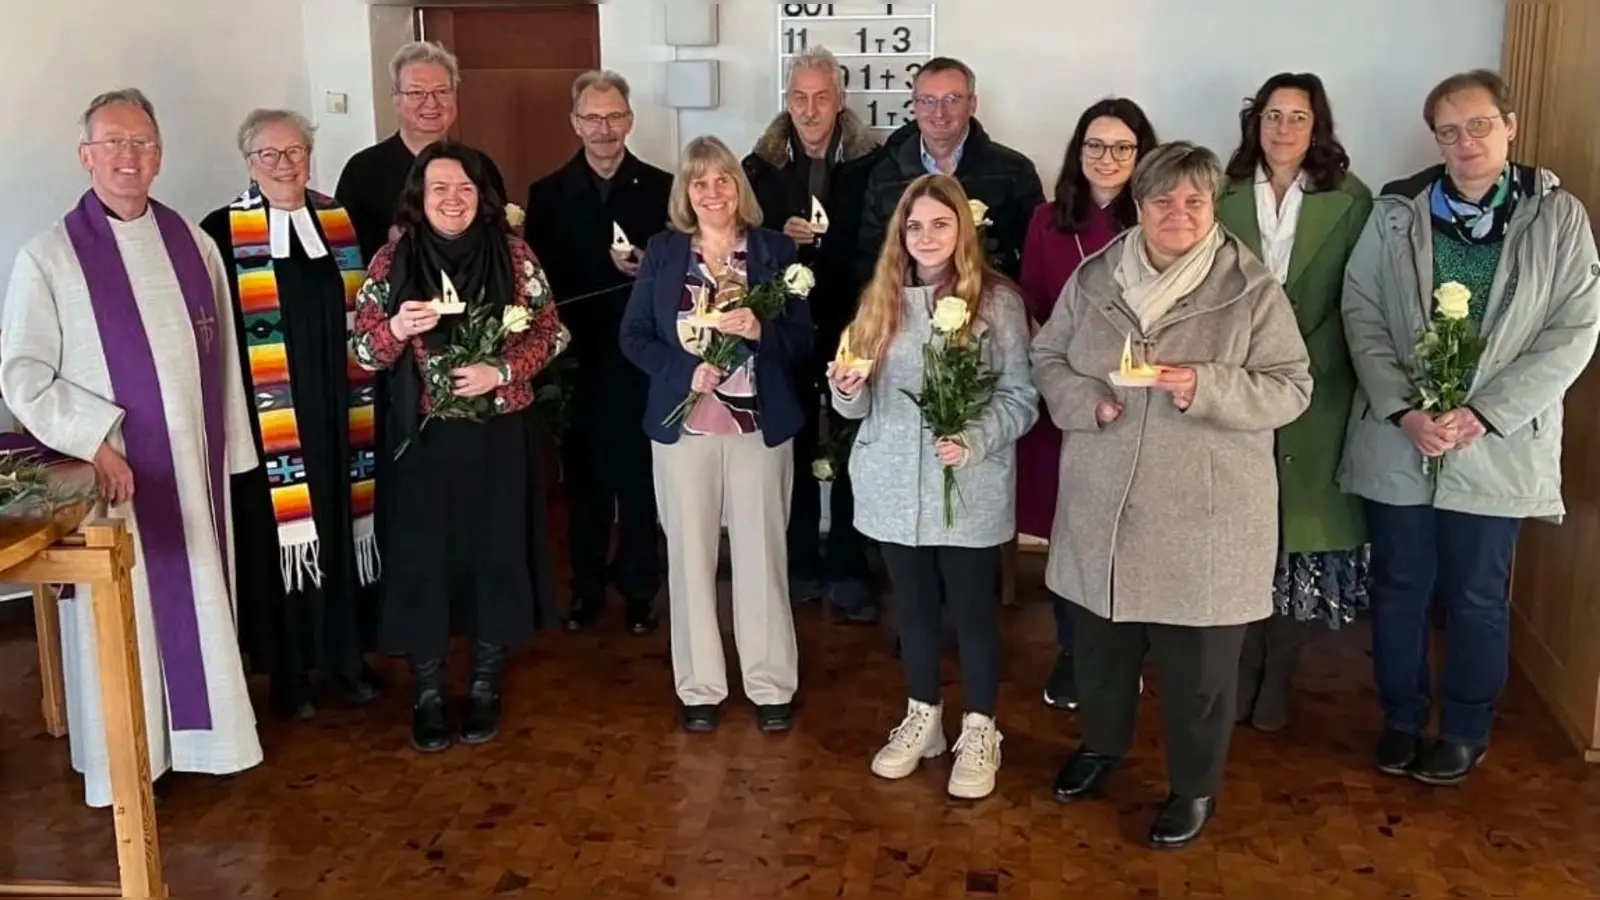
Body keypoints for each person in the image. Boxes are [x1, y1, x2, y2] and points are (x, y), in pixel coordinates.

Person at [1032, 142, 1311, 848]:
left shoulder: (1249, 288)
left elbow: (1291, 385)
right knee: (1099, 648)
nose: (1177, 213)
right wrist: (1084, 399)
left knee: (1199, 675)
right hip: (1105, 500)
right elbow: (1047, 357)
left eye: (1194, 201)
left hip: (1205, 514)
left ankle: (1193, 788)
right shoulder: (1097, 277)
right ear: (1139, 204)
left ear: (1214, 207)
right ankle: (1102, 745)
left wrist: (1204, 385)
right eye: (1162, 200)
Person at [0, 88, 263, 806]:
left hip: (192, 475)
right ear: (86, 156)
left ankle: (206, 743)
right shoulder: (50, 256)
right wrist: (93, 442)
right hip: (116, 478)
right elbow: (21, 373)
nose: (128, 156)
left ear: (160, 155)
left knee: (200, 601)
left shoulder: (191, 242)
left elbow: (226, 359)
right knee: (127, 619)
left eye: (142, 143)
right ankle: (126, 759)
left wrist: (232, 450)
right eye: (113, 143)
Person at [1340, 69, 1600, 785]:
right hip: (1404, 438)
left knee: (1478, 595)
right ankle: (1399, 717)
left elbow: (1574, 330)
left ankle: (1463, 726)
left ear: (1510, 126)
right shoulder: (1397, 211)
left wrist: (1485, 413)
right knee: (1397, 585)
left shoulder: (1558, 217)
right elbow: (1361, 312)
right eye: (1448, 131)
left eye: (1479, 125)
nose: (1465, 142)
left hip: (1495, 444)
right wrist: (1404, 410)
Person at [350, 142, 568, 753]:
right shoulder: (392, 259)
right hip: (420, 442)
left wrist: (504, 370)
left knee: (495, 554)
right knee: (423, 561)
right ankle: (425, 690)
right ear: (418, 197)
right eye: (440, 188)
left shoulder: (513, 254)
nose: (453, 199)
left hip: (497, 435)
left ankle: (484, 683)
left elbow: (553, 331)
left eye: (465, 188)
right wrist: (396, 327)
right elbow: (363, 351)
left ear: (483, 196)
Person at [831, 174, 1037, 800]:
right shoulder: (880, 300)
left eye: (940, 225)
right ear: (901, 232)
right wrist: (846, 390)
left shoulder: (996, 302)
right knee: (912, 611)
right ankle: (924, 716)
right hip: (892, 484)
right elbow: (856, 401)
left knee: (972, 612)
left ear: (962, 231)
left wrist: (973, 438)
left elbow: (1021, 397)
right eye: (915, 225)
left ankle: (980, 726)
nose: (926, 237)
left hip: (967, 482)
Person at [619, 136, 811, 734]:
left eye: (722, 180)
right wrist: (684, 370)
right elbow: (635, 337)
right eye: (698, 182)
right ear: (685, 193)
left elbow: (804, 340)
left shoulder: (776, 250)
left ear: (738, 187)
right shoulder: (663, 252)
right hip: (685, 430)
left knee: (762, 556)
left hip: (759, 426)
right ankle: (699, 685)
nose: (711, 192)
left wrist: (761, 329)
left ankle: (770, 682)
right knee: (690, 558)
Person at [200, 109, 385, 721]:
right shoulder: (221, 232)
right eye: (269, 155)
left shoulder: (341, 221)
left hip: (341, 410)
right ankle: (288, 673)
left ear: (311, 154)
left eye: (296, 151)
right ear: (249, 163)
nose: (285, 164)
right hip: (268, 418)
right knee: (275, 543)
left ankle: (345, 658)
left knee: (338, 527)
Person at [1216, 73, 1373, 734]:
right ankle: (1243, 665)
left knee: (1296, 537)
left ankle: (1278, 670)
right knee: (1239, 528)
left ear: (1318, 127)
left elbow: (1361, 294)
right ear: (1256, 123)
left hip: (1322, 382)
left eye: (1297, 117)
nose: (1283, 129)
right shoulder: (1221, 197)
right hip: (1237, 381)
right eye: (1273, 115)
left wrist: (1309, 360)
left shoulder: (1351, 199)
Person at [1017, 98, 1158, 712]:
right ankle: (1073, 652)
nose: (1108, 158)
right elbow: (1031, 302)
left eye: (1123, 148)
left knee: (1127, 530)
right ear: (1079, 152)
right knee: (1068, 531)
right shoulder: (1048, 219)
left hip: (1134, 399)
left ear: (1141, 155)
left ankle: (1125, 656)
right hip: (1066, 398)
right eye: (1096, 146)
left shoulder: (1154, 220)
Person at [525, 70, 671, 636]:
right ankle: (585, 591)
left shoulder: (664, 188)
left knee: (638, 479)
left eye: (614, 117)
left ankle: (639, 590)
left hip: (643, 361)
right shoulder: (547, 193)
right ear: (575, 123)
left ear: (630, 121)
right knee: (584, 482)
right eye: (592, 117)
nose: (604, 128)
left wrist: (645, 271)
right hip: (577, 360)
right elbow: (538, 282)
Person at [744, 46, 883, 621]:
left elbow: (884, 242)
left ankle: (850, 567)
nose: (809, 109)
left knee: (855, 444)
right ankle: (800, 561)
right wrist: (784, 237)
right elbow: (745, 247)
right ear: (787, 101)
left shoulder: (874, 164)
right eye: (799, 97)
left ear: (840, 100)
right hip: (786, 328)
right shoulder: (759, 168)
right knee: (793, 439)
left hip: (856, 320)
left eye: (821, 97)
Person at [857, 57, 1043, 283]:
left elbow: (1036, 258)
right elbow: (869, 259)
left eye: (952, 100)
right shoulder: (883, 174)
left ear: (972, 104)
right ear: (914, 106)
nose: (939, 113)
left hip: (990, 306)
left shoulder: (1014, 171)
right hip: (905, 308)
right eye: (928, 101)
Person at [335, 40, 508, 266]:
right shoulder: (362, 170)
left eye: (442, 91)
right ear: (396, 99)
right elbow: (347, 257)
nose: (431, 103)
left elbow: (501, 241)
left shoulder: (479, 165)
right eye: (417, 92)